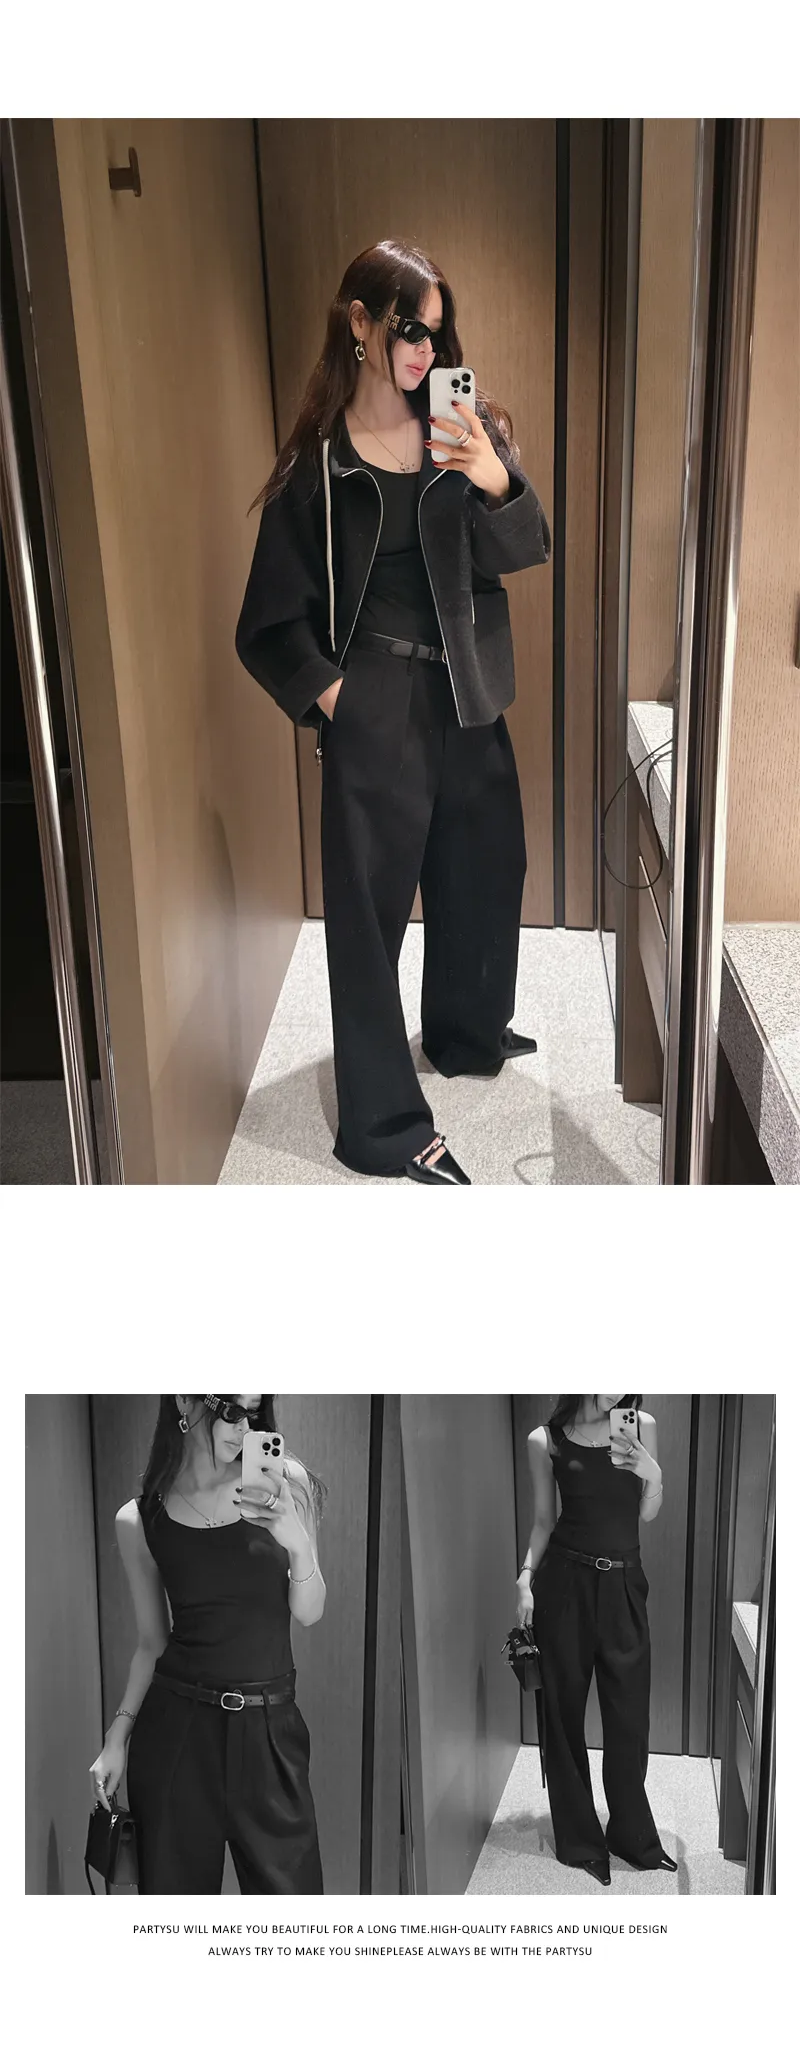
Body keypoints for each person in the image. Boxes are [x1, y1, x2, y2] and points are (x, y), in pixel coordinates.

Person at [235, 230, 550, 1185]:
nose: (425, 350)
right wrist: (339, 698)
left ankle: (465, 1031)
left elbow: (524, 549)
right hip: (376, 700)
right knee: (368, 917)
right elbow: (266, 625)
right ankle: (383, 1126)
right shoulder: (320, 469)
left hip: (468, 690)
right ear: (361, 323)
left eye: (437, 333)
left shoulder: (463, 429)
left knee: (487, 865)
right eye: (410, 329)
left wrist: (494, 478)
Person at [85, 1395, 326, 1895]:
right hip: (177, 1735)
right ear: (185, 1399)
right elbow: (152, 1643)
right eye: (232, 1411)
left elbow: (309, 1611)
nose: (245, 1428)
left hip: (269, 1732)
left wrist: (298, 1543)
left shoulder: (286, 1484)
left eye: (254, 1413)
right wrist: (116, 1738)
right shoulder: (141, 1518)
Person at [517, 1400, 674, 1883]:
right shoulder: (547, 1439)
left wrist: (653, 1474)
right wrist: (525, 1578)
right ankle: (581, 1840)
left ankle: (631, 1834)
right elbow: (544, 1521)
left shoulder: (640, 1426)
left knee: (629, 1716)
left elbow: (647, 1513)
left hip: (624, 1582)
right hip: (565, 1583)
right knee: (562, 1712)